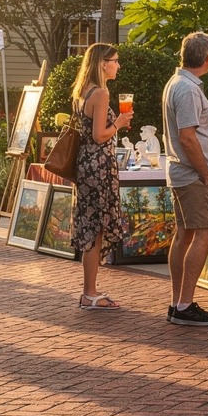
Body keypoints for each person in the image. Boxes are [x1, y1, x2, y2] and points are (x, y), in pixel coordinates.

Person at [162, 31, 208, 327]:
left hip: (180, 173)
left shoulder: (177, 83)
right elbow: (187, 138)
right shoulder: (188, 89)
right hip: (193, 175)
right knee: (206, 234)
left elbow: (189, 126)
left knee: (184, 235)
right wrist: (206, 173)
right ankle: (185, 305)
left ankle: (179, 302)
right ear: (207, 59)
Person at [69, 44, 131, 309]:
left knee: (91, 225)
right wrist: (119, 123)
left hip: (86, 164)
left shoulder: (82, 91)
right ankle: (90, 293)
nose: (118, 65)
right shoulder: (101, 93)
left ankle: (90, 290)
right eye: (115, 61)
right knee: (96, 228)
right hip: (98, 165)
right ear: (102, 63)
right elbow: (99, 136)